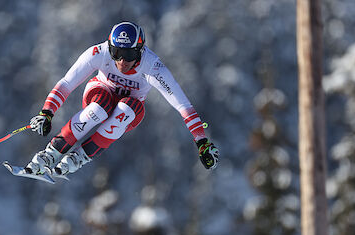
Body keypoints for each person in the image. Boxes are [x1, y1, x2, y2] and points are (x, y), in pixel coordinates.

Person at [25, 21, 219, 177]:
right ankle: (51, 153)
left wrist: (202, 142)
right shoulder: (99, 52)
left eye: (129, 54)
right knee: (100, 108)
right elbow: (67, 83)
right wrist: (47, 112)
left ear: (140, 51)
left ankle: (80, 157)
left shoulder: (152, 67)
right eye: (117, 53)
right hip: (99, 92)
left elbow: (183, 105)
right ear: (110, 48)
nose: (122, 62)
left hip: (129, 110)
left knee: (125, 109)